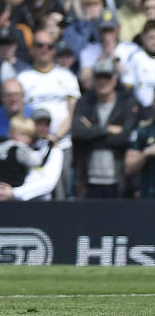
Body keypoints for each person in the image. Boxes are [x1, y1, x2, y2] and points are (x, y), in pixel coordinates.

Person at [17, 28, 81, 197]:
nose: (44, 49)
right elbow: (20, 114)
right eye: (39, 45)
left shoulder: (67, 76)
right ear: (32, 49)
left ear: (54, 50)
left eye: (49, 46)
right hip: (33, 145)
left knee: (60, 193)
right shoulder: (23, 78)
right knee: (32, 190)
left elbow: (72, 112)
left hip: (61, 144)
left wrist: (55, 138)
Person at [71, 58, 139, 198]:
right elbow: (78, 133)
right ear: (93, 79)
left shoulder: (126, 104)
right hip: (88, 180)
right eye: (99, 77)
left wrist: (91, 132)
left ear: (115, 79)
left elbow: (124, 138)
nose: (103, 81)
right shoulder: (85, 102)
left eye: (107, 76)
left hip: (118, 179)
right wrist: (106, 129)